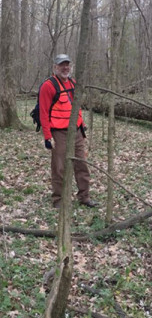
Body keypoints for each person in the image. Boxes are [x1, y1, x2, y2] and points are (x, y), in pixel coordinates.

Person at [39, 54, 97, 208]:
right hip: (58, 133)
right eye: (61, 65)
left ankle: (84, 197)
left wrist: (82, 125)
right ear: (55, 67)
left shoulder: (73, 83)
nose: (65, 68)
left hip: (76, 131)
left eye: (67, 65)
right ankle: (58, 200)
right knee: (59, 167)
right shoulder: (48, 86)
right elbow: (43, 113)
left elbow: (75, 107)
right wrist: (47, 136)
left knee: (82, 165)